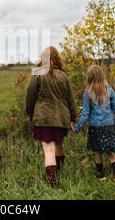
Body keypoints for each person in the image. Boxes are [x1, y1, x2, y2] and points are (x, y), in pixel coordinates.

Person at [26, 46, 77, 187]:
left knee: (48, 150)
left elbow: (30, 95)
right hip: (62, 118)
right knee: (59, 144)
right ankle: (59, 172)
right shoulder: (64, 75)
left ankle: (53, 183)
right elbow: (70, 99)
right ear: (57, 58)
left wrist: (29, 113)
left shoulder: (38, 73)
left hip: (44, 118)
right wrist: (73, 118)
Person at [71, 65, 115, 184]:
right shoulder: (110, 90)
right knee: (108, 152)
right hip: (109, 125)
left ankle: (103, 176)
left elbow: (85, 112)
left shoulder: (88, 92)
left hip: (95, 127)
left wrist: (77, 127)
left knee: (98, 150)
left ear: (90, 77)